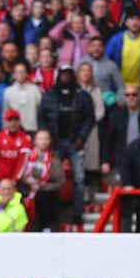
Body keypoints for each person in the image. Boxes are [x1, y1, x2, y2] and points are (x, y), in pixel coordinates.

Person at [39, 64, 95, 224]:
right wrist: (48, 139)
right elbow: (42, 118)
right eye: (63, 73)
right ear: (59, 75)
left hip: (75, 143)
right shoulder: (49, 95)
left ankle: (77, 214)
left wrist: (82, 138)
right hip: (55, 144)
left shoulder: (82, 95)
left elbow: (89, 118)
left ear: (73, 75)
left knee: (79, 179)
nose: (65, 76)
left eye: (69, 73)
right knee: (50, 178)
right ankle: (52, 216)